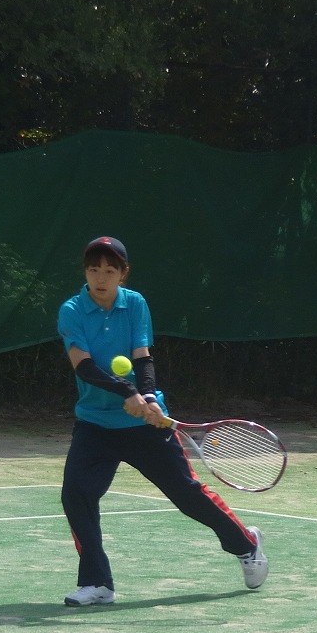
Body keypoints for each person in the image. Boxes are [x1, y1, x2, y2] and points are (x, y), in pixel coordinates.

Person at [56, 235, 267, 606]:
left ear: (123, 273)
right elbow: (84, 366)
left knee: (187, 495)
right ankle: (97, 583)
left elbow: (142, 357)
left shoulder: (135, 303)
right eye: (94, 270)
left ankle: (246, 544)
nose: (101, 278)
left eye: (109, 271)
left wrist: (149, 397)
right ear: (85, 272)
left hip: (145, 426)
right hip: (95, 424)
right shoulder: (72, 310)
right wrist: (127, 392)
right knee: (76, 493)